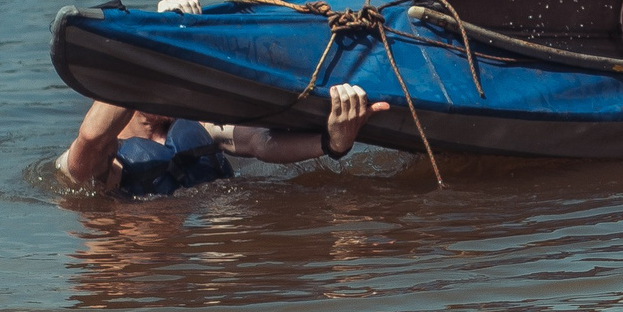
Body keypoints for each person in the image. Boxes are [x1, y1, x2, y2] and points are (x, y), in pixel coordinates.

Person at [57, 81, 388, 197]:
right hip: (143, 264)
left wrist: (334, 143)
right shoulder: (101, 162)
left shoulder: (199, 126)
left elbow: (261, 143)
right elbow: (91, 137)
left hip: (203, 243)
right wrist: (151, 44)